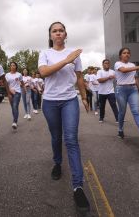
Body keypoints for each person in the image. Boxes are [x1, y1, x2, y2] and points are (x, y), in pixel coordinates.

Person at [38, 21, 90, 212]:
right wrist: (66, 60)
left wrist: (84, 97)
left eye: (61, 30)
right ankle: (58, 163)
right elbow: (44, 72)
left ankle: (78, 187)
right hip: (50, 102)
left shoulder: (75, 55)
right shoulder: (45, 54)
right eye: (55, 31)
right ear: (50, 35)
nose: (58, 33)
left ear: (65, 34)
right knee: (56, 137)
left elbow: (79, 78)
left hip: (69, 100)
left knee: (71, 140)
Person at [115, 47, 139, 140]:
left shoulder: (132, 65)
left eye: (128, 53)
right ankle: (120, 130)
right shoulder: (118, 64)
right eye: (124, 53)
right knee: (122, 112)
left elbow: (135, 78)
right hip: (121, 90)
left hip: (133, 90)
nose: (126, 54)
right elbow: (124, 70)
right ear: (120, 55)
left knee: (136, 112)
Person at [5, 61, 24, 130]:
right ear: (10, 67)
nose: (12, 66)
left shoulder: (19, 74)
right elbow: (6, 84)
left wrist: (23, 87)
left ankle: (14, 122)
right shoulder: (7, 75)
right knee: (13, 107)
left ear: (16, 67)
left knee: (15, 105)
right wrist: (9, 91)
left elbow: (22, 83)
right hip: (10, 92)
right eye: (11, 65)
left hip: (17, 92)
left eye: (14, 65)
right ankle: (15, 119)